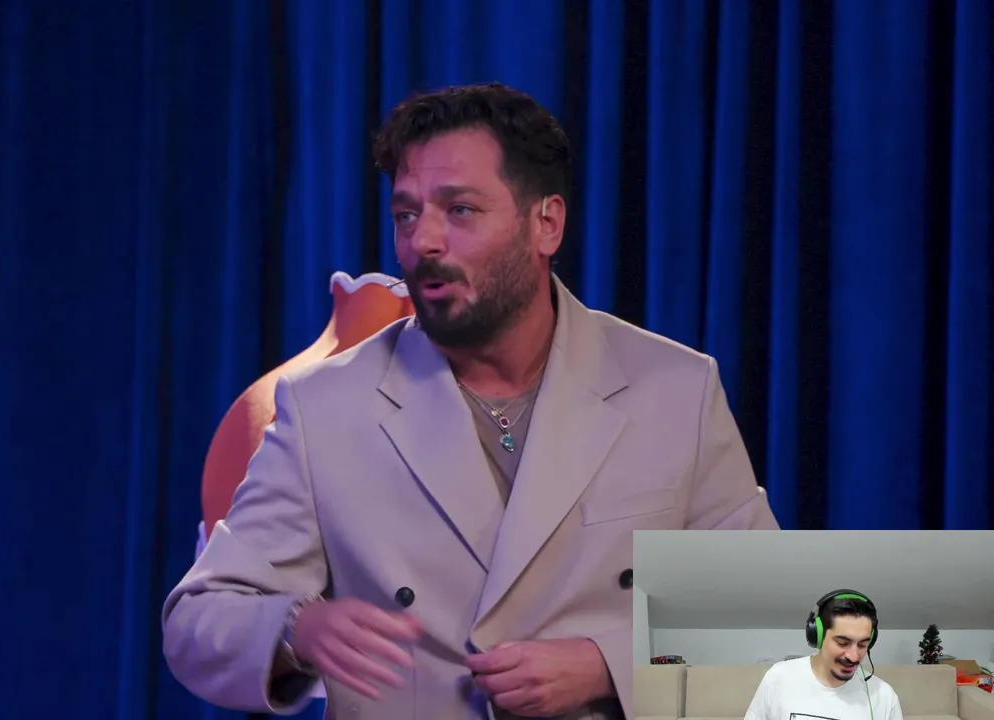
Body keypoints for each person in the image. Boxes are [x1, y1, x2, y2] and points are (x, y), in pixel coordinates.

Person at [162, 82, 779, 720]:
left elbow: (777, 615)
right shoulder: (325, 406)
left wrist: (608, 666)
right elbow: (198, 618)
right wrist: (297, 627)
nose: (423, 241)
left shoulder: (674, 388)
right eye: (406, 214)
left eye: (459, 210)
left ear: (547, 224)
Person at [746, 590, 903, 720]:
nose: (854, 656)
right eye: (842, 643)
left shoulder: (884, 697)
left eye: (862, 645)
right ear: (818, 637)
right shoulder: (779, 677)